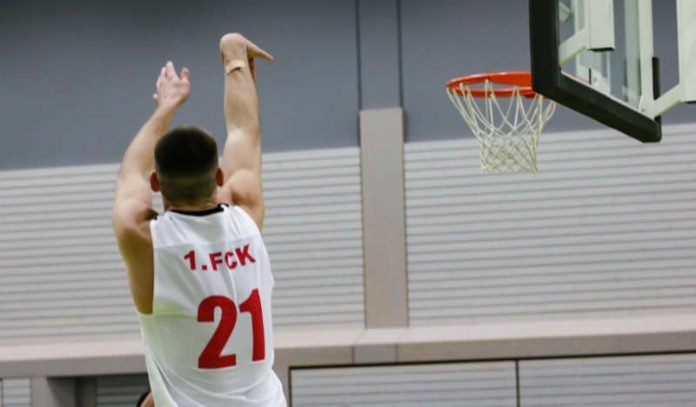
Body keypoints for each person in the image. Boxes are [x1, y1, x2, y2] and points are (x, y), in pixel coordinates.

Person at [112, 33, 286, 407]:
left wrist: (167, 107)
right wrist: (233, 56)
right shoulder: (246, 213)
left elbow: (131, 173)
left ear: (156, 184)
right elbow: (244, 132)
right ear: (220, 178)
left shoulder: (146, 242)